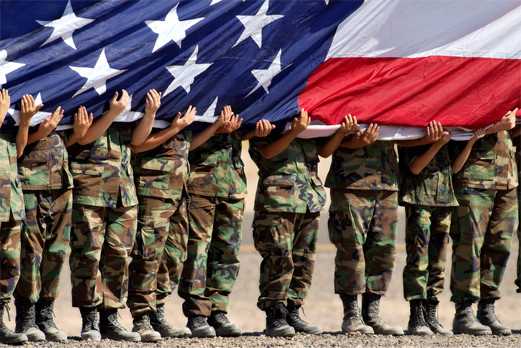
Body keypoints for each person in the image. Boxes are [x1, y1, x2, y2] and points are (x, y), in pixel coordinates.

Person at [127, 105, 234, 341]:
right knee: (148, 255)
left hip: (180, 191)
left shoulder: (183, 107)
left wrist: (215, 127)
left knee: (174, 256)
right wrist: (174, 127)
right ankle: (142, 317)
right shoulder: (156, 108)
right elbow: (137, 145)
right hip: (153, 189)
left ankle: (158, 310)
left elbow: (188, 147)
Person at [68, 89, 155, 342]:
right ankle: (90, 317)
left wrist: (150, 114)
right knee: (88, 255)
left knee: (119, 255)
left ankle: (111, 315)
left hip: (124, 192)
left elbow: (136, 141)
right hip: (91, 188)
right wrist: (112, 113)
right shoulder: (86, 96)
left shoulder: (128, 97)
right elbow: (82, 138)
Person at [179, 107, 270, 338]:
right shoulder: (201, 96)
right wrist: (215, 128)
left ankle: (218, 309)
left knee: (227, 252)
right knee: (198, 249)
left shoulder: (237, 97)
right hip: (200, 183)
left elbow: (243, 133)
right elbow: (186, 146)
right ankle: (197, 314)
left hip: (232, 186)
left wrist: (254, 133)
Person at [14, 99, 92, 343]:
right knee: (30, 253)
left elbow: (64, 140)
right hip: (30, 181)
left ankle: (45, 312)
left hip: (61, 183)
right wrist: (36, 129)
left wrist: (77, 135)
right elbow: (14, 146)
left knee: (57, 253)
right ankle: (26, 315)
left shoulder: (62, 95)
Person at [321, 119, 403, 336]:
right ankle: (352, 314)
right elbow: (324, 144)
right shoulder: (348, 91)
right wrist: (355, 142)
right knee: (351, 250)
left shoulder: (392, 93)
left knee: (383, 251)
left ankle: (372, 314)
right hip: (351, 182)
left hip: (386, 183)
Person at [249, 110, 324, 337]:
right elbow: (267, 153)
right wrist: (294, 132)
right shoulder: (267, 113)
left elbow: (324, 150)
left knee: (304, 259)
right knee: (279, 258)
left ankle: (293, 310)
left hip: (309, 199)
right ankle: (275, 315)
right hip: (278, 201)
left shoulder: (308, 118)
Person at [449, 109, 518, 336]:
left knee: (501, 245)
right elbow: (460, 122)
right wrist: (494, 127)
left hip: (506, 177)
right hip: (474, 175)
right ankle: (464, 311)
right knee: (469, 245)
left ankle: (487, 308)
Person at [398, 121, 455, 336]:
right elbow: (415, 167)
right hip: (419, 199)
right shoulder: (412, 133)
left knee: (439, 262)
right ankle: (417, 315)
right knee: (418, 260)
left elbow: (454, 168)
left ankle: (432, 312)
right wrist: (436, 143)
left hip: (445, 200)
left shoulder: (448, 134)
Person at [0, 90, 35, 345]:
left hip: (10, 203)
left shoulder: (8, 125)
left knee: (10, 265)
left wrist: (23, 122)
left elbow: (19, 150)